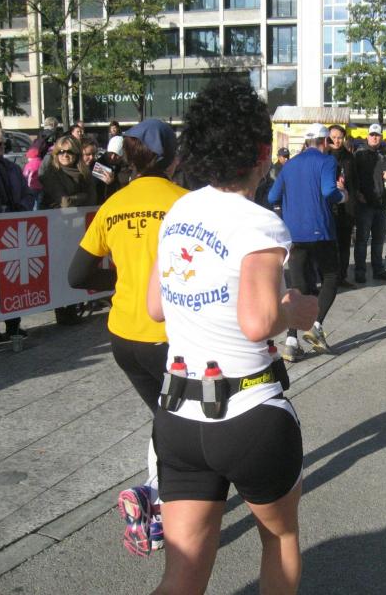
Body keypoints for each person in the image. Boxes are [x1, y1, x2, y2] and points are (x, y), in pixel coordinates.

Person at [145, 76, 317, 595]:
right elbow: (259, 322)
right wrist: (299, 310)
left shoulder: (179, 211)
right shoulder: (259, 224)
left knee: (182, 573)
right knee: (280, 538)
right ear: (262, 153)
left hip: (177, 413)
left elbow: (155, 306)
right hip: (248, 412)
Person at [68, 118, 186, 556]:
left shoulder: (114, 204)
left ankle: (162, 500)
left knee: (165, 416)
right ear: (173, 158)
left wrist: (119, 280)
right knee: (180, 424)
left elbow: (77, 275)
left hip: (123, 337)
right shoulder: (184, 203)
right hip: (169, 337)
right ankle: (157, 502)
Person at [268, 123, 345, 362]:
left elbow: (272, 196)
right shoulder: (327, 161)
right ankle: (316, 326)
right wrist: (342, 195)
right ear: (324, 142)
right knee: (331, 276)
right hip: (320, 230)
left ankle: (291, 341)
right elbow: (329, 191)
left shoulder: (290, 164)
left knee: (299, 287)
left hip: (294, 234)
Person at [0, 125, 34, 342]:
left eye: (5, 143)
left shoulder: (11, 168)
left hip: (12, 232)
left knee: (12, 278)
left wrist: (21, 207)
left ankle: (13, 325)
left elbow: (28, 192)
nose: (3, 146)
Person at [353, 123, 386, 282]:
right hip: (365, 204)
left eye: (377, 135)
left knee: (379, 241)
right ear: (367, 136)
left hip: (381, 204)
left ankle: (378, 270)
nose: (374, 138)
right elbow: (353, 178)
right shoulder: (359, 154)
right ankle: (360, 272)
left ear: (381, 137)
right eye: (372, 135)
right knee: (362, 241)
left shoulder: (385, 155)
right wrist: (357, 193)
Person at [328, 125, 359, 289]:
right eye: (333, 137)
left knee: (344, 244)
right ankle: (328, 277)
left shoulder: (349, 157)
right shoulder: (324, 155)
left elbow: (355, 182)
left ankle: (342, 276)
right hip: (328, 206)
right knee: (329, 244)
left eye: (339, 137)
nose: (336, 140)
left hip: (346, 207)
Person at [40, 136, 96, 209]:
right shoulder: (51, 173)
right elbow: (65, 202)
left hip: (84, 214)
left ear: (76, 153)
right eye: (61, 152)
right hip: (54, 215)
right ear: (56, 154)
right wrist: (83, 196)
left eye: (70, 152)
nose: (65, 155)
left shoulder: (86, 173)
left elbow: (92, 201)